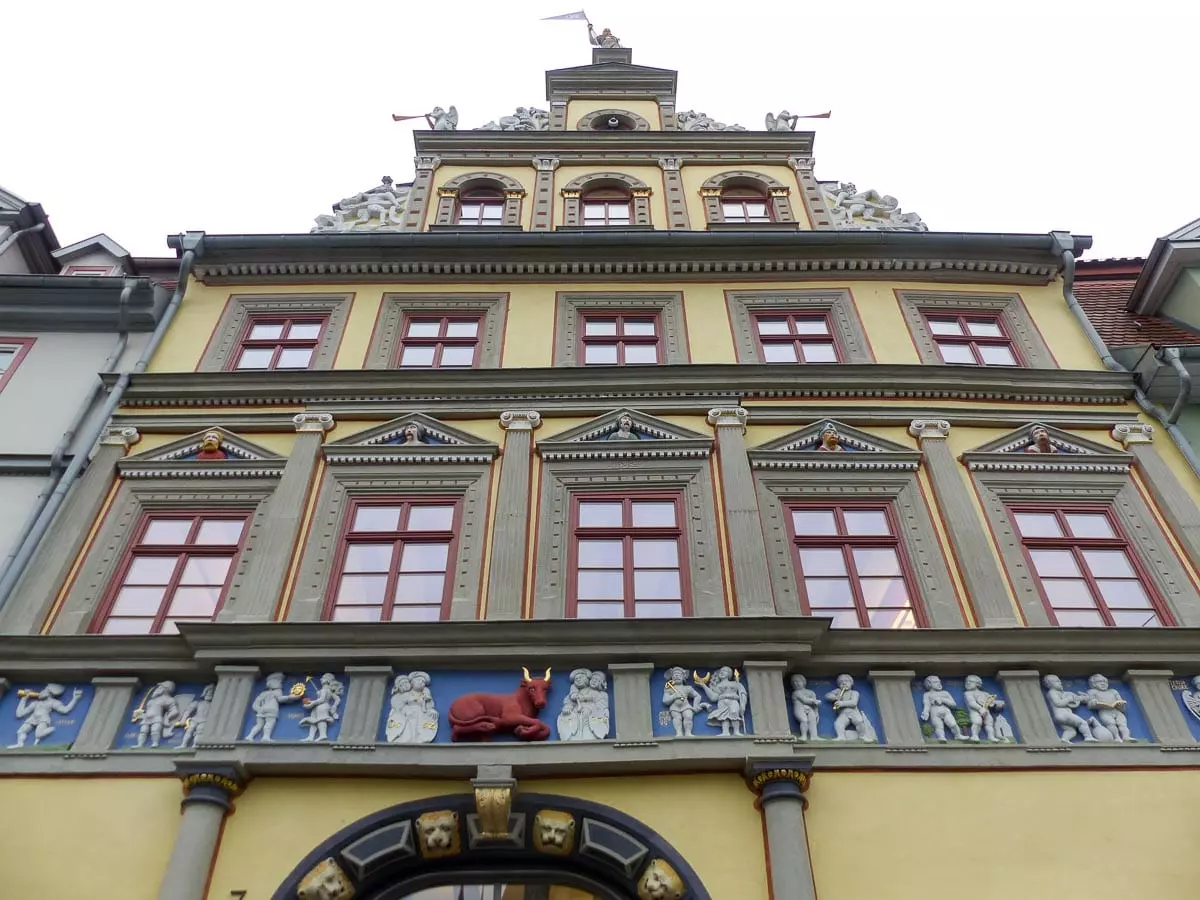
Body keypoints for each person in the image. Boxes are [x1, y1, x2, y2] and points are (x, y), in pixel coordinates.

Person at [8, 684, 84, 748]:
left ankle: (51, 729)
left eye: (44, 690)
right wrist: (24, 699)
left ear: (49, 693)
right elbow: (19, 714)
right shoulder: (35, 703)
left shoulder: (53, 702)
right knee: (20, 731)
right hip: (32, 718)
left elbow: (65, 710)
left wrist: (75, 699)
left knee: (38, 734)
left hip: (43, 719)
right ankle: (20, 744)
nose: (41, 692)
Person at [245, 672, 299, 742]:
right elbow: (280, 699)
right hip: (272, 710)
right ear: (272, 683)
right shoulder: (277, 691)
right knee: (269, 724)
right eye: (279, 682)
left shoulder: (263, 693)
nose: (280, 683)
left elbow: (255, 704)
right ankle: (266, 737)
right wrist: (290, 697)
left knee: (259, 725)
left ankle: (250, 736)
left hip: (261, 711)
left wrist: (259, 709)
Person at [1043, 674, 1095, 743]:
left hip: (1060, 717)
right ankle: (1088, 737)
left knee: (1071, 731)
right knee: (1082, 723)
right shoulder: (1052, 692)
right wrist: (1069, 699)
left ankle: (1064, 740)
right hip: (1063, 714)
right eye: (1057, 681)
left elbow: (1076, 700)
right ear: (1049, 684)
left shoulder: (1063, 693)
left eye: (1060, 681)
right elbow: (1058, 703)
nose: (1060, 682)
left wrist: (1083, 698)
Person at [825, 674, 877, 742]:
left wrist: (841, 703)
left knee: (859, 722)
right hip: (843, 714)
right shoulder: (838, 691)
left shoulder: (854, 692)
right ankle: (841, 737)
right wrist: (835, 697)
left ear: (851, 683)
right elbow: (827, 696)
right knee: (838, 724)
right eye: (841, 682)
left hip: (853, 712)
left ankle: (862, 736)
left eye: (846, 681)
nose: (844, 683)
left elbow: (853, 703)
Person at [662, 666, 709, 738]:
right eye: (675, 674)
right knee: (677, 718)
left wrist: (695, 705)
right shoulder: (669, 689)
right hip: (674, 707)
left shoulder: (687, 688)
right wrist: (674, 696)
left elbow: (697, 696)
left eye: (679, 674)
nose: (677, 676)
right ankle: (679, 733)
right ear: (671, 678)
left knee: (688, 717)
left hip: (686, 706)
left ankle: (688, 732)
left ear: (683, 677)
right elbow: (665, 701)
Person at [920, 675, 968, 742]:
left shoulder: (945, 693)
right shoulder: (927, 694)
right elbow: (926, 704)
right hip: (934, 712)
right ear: (929, 684)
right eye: (935, 682)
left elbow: (954, 704)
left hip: (946, 711)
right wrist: (925, 712)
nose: (939, 683)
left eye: (939, 682)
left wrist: (942, 700)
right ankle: (941, 737)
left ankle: (958, 735)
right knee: (938, 726)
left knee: (953, 724)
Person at [1086, 674, 1133, 742]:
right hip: (1104, 711)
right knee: (1110, 723)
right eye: (1099, 682)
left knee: (1122, 723)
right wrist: (1094, 702)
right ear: (1093, 684)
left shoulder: (1113, 691)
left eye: (1105, 682)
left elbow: (1120, 700)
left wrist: (1120, 704)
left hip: (1116, 710)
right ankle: (1117, 737)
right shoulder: (1092, 692)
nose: (1103, 683)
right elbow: (1090, 704)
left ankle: (1126, 736)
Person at [134, 681, 181, 748]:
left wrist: (167, 719)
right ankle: (140, 744)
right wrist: (140, 715)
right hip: (147, 718)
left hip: (157, 718)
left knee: (155, 730)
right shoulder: (152, 700)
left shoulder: (168, 699)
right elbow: (147, 711)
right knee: (143, 731)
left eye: (161, 687)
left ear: (166, 689)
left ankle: (155, 743)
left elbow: (174, 711)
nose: (158, 688)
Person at [299, 673, 344, 742]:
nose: (321, 679)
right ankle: (311, 736)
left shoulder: (324, 690)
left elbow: (322, 699)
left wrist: (312, 703)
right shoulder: (327, 690)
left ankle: (323, 735)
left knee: (321, 720)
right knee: (314, 721)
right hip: (319, 707)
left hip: (322, 706)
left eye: (323, 678)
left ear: (327, 681)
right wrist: (334, 706)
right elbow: (337, 699)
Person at [963, 675, 1008, 743]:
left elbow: (991, 703)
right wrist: (980, 709)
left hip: (986, 711)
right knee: (977, 722)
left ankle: (991, 736)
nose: (968, 683)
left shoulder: (985, 693)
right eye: (966, 682)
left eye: (970, 681)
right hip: (975, 711)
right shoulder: (968, 693)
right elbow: (971, 703)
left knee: (989, 723)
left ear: (978, 684)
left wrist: (996, 704)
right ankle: (975, 735)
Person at [790, 674, 822, 741]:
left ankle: (814, 736)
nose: (796, 683)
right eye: (793, 682)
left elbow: (814, 705)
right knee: (804, 720)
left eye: (798, 681)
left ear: (804, 682)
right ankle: (803, 736)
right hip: (799, 708)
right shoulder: (796, 693)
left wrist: (816, 713)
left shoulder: (811, 692)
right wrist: (814, 701)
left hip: (810, 709)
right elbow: (805, 700)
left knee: (812, 721)